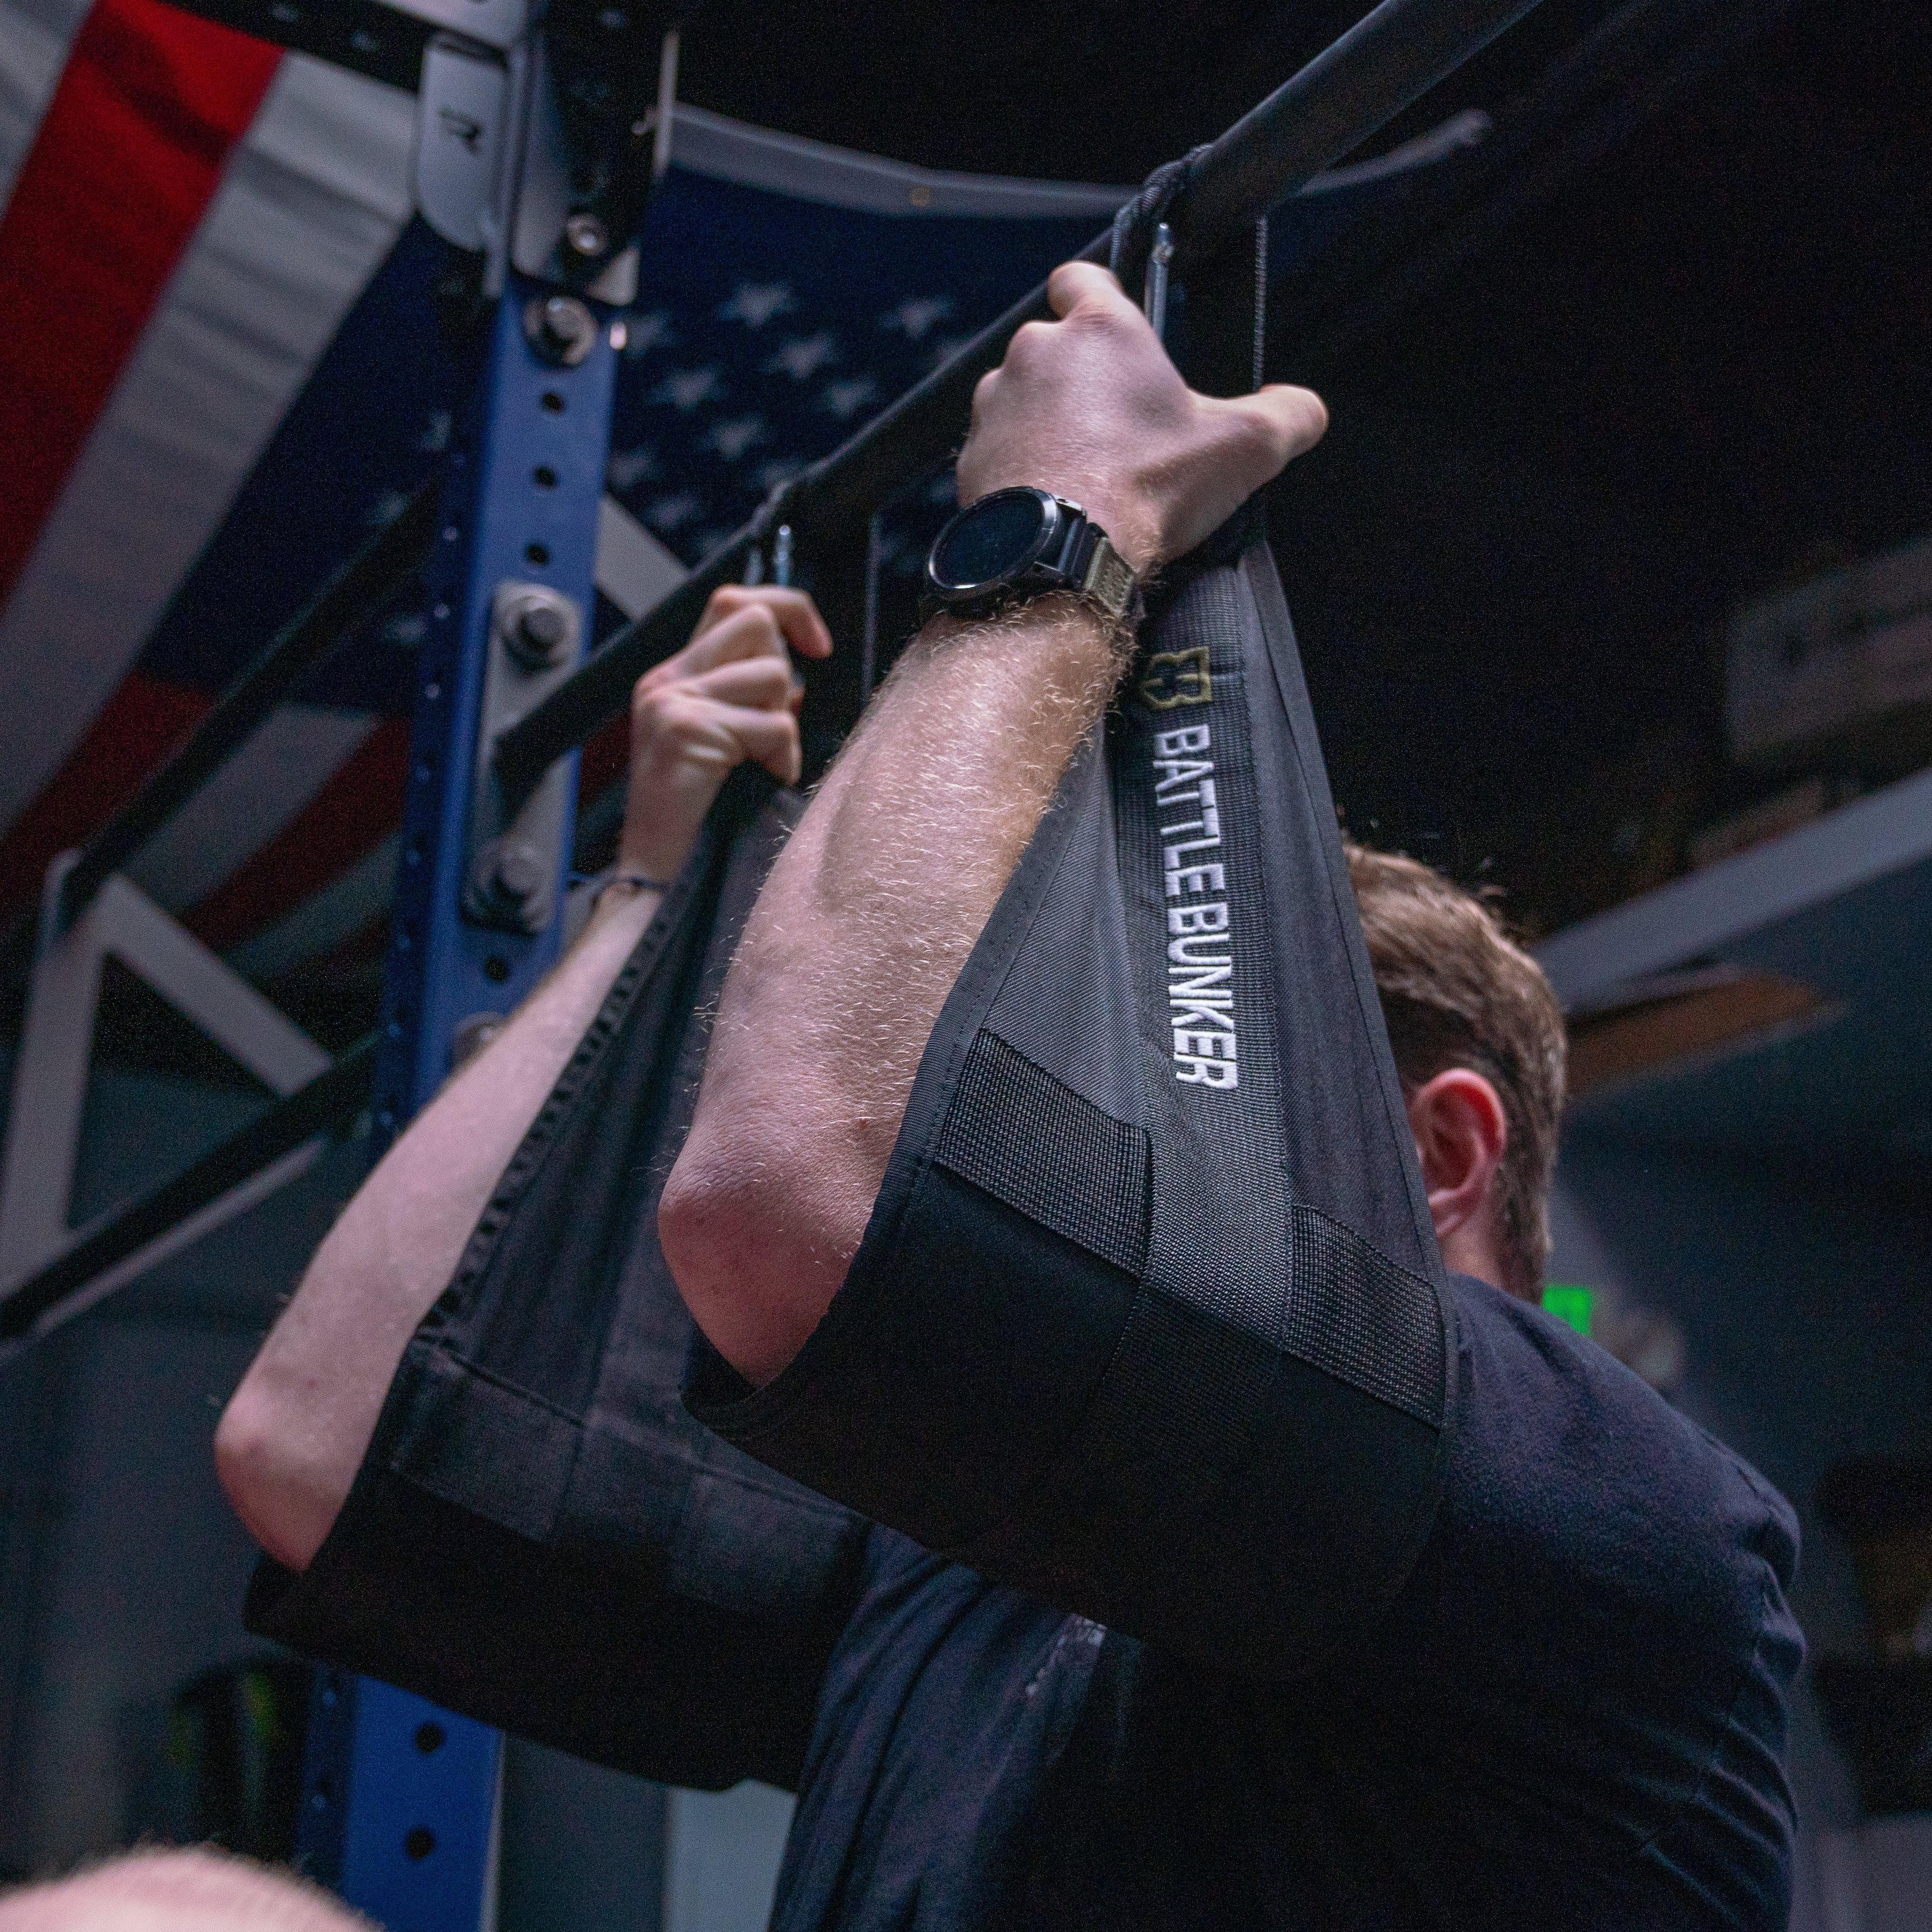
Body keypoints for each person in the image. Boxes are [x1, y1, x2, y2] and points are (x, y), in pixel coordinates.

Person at [218, 261, 1801, 1928]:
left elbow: (790, 1200)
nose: (1022, 1165)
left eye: (1122, 1118)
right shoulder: (965, 1563)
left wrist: (1062, 526)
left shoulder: (1609, 1524)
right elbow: (320, 1454)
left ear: (1436, 1150)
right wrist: (652, 900)